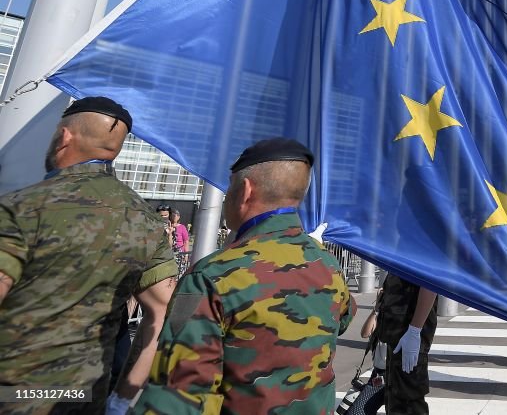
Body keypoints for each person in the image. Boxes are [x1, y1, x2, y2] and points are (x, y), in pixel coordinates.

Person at [132, 137, 349, 413]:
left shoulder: (211, 275)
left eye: (229, 186)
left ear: (245, 190)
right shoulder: (329, 266)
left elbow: (178, 395)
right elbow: (344, 318)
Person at [0, 97, 178, 415]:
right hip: (84, 399)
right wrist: (121, 400)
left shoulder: (22, 207)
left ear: (65, 136)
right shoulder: (147, 221)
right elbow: (163, 313)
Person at [376, 272, 438, 414]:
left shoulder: (424, 250)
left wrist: (415, 329)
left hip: (408, 332)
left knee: (409, 401)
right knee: (394, 400)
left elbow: (430, 282)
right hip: (396, 335)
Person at [168, 208, 190, 277]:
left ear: (179, 217)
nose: (174, 216)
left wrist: (186, 254)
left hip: (180, 253)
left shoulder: (182, 227)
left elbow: (186, 241)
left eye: (176, 215)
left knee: (179, 271)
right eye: (173, 215)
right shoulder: (167, 226)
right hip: (169, 252)